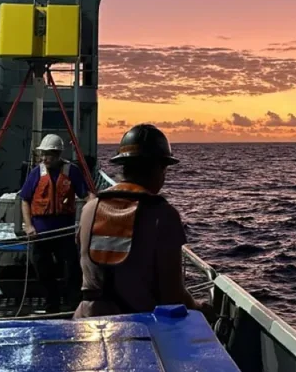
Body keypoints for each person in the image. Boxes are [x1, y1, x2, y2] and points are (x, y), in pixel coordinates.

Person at [74, 124, 209, 319]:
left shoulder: (90, 209)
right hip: (137, 330)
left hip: (88, 324)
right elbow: (173, 295)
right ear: (158, 169)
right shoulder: (163, 215)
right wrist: (200, 307)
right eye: (164, 169)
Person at [18, 133, 88, 313]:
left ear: (58, 155)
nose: (44, 158)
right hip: (40, 234)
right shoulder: (36, 173)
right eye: (43, 154)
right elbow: (25, 200)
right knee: (43, 271)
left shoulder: (71, 171)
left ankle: (73, 306)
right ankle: (52, 307)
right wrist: (29, 226)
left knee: (72, 269)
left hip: (65, 233)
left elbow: (87, 196)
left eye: (48, 154)